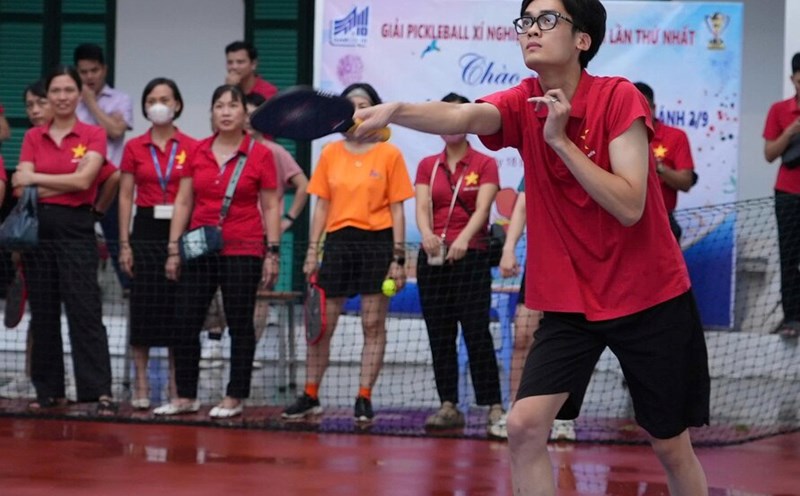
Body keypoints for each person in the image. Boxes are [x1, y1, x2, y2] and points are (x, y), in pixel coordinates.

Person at [352, 1, 710, 494]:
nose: (531, 30)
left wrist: (559, 141)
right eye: (526, 21)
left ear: (582, 39)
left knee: (669, 444)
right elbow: (462, 113)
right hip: (573, 303)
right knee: (523, 426)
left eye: (547, 20)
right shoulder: (524, 101)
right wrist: (395, 109)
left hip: (648, 296)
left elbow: (630, 205)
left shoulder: (618, 98)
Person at [281, 83, 413, 424]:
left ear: (376, 110)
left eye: (364, 104)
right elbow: (321, 207)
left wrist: (398, 259)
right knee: (322, 325)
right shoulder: (329, 153)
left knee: (372, 324)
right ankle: (311, 394)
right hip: (338, 244)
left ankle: (364, 397)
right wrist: (313, 252)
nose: (358, 111)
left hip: (377, 243)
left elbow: (398, 209)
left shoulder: (390, 154)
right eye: (351, 105)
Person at [156, 84, 280, 419]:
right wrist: (173, 249)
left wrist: (272, 252)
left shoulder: (261, 154)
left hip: (244, 246)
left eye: (233, 106)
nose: (225, 112)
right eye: (219, 106)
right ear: (212, 113)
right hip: (200, 246)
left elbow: (271, 206)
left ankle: (234, 396)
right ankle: (185, 396)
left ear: (245, 113)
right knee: (185, 320)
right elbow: (184, 201)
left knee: (239, 322)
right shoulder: (196, 151)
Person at [12, 65, 116, 416]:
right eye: (55, 91)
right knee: (43, 312)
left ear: (78, 94)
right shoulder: (33, 136)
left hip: (77, 228)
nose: (62, 97)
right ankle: (49, 390)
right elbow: (20, 186)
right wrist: (65, 180)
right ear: (48, 96)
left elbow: (85, 182)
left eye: (68, 90)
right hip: (38, 230)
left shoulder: (93, 133)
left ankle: (98, 391)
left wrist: (38, 180)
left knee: (85, 309)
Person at [414, 92, 504, 432]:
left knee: (477, 332)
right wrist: (426, 234)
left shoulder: (485, 163)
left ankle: (493, 405)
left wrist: (464, 239)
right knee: (440, 334)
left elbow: (483, 210)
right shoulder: (428, 165)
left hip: (472, 258)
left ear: (468, 122)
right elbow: (422, 207)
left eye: (457, 115)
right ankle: (448, 404)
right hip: (433, 259)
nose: (451, 124)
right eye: (445, 116)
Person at [118, 78, 198, 409]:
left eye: (165, 99)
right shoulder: (134, 147)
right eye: (151, 100)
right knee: (143, 306)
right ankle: (141, 382)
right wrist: (125, 243)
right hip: (146, 228)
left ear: (177, 104)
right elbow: (125, 196)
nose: (158, 105)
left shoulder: (192, 146)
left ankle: (177, 383)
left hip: (182, 228)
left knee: (179, 307)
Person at [488, 181, 576, 441]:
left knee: (571, 342)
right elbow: (523, 206)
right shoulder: (538, 163)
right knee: (523, 336)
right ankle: (515, 409)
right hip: (541, 262)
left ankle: (563, 419)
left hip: (578, 261)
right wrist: (508, 249)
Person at [74, 42, 134, 291]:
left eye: (94, 70)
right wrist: (105, 119)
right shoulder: (69, 100)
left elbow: (116, 131)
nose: (89, 77)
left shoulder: (121, 99)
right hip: (78, 181)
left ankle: (130, 288)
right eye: (83, 72)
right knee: (75, 237)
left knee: (117, 237)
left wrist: (91, 104)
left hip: (112, 180)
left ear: (104, 70)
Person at [763, 52, 800, 340]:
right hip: (787, 192)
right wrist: (789, 132)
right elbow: (769, 154)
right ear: (792, 79)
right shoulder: (779, 110)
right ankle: (792, 318)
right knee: (789, 256)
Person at [634, 82, 696, 241]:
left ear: (654, 108)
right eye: (632, 108)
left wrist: (657, 166)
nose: (638, 113)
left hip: (663, 220)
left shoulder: (676, 137)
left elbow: (686, 182)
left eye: (644, 107)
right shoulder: (614, 137)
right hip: (625, 220)